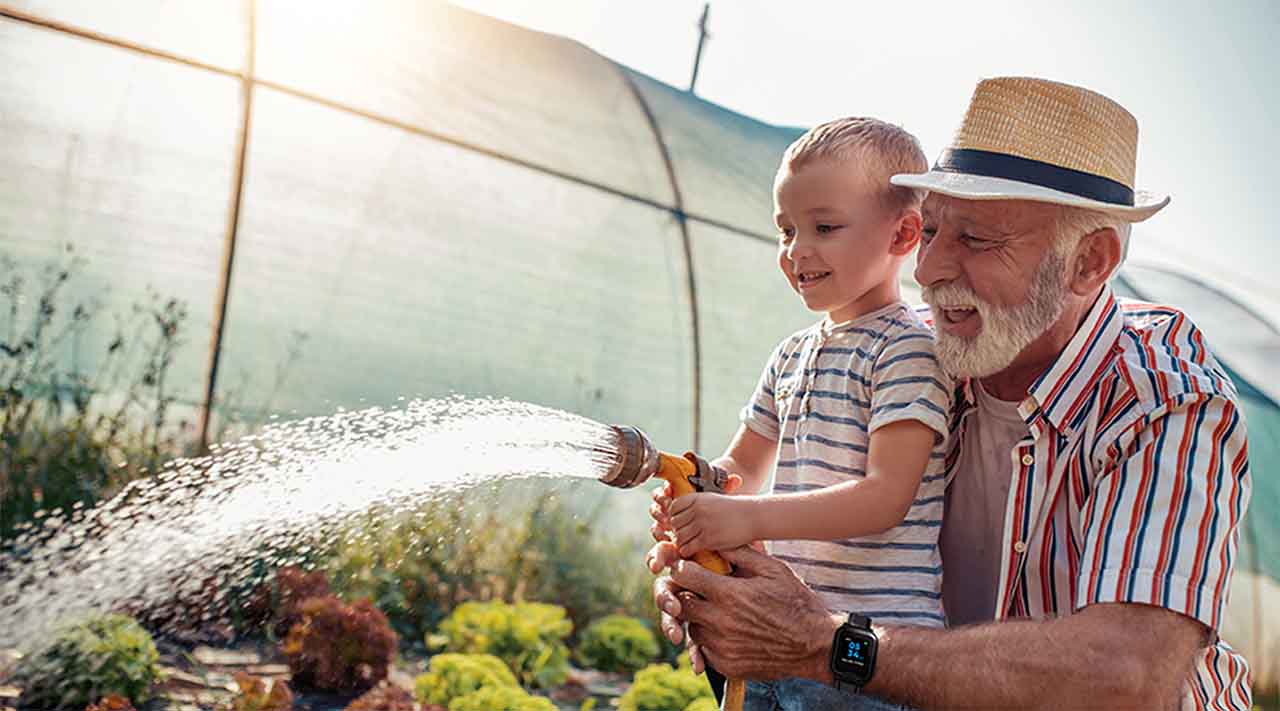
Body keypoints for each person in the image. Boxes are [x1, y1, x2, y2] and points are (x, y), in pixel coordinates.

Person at [648, 77, 1253, 710]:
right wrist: (725, 587)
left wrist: (822, 645)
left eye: (975, 238)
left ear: (1089, 262)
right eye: (932, 232)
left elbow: (1125, 679)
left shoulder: (1162, 401)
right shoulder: (934, 355)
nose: (928, 269)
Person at [664, 117, 951, 711]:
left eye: (824, 227)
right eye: (786, 230)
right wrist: (698, 493)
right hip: (772, 635)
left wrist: (746, 521)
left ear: (902, 236)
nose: (798, 250)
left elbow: (885, 497)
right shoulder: (792, 352)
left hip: (866, 658)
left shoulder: (905, 350)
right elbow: (741, 467)